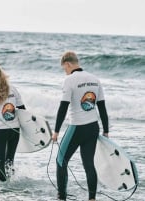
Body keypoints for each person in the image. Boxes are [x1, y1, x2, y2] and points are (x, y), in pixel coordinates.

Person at [52, 51, 109, 201]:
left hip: (77, 127)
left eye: (64, 68)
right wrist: (106, 130)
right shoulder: (95, 79)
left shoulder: (69, 80)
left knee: (60, 161)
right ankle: (92, 198)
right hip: (93, 127)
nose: (65, 71)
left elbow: (63, 107)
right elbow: (102, 107)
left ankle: (61, 197)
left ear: (68, 64)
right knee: (89, 164)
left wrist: (56, 131)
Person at [0, 64, 26, 182]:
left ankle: (4, 190)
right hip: (15, 130)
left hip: (1, 131)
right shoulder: (12, 88)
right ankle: (11, 184)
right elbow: (22, 109)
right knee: (9, 160)